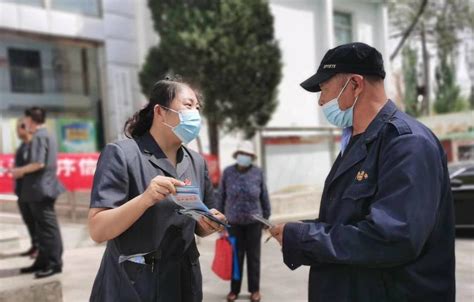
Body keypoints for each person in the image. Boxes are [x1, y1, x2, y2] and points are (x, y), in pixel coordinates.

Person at [269, 42, 455, 302]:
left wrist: (306, 239)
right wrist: (303, 229)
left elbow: (393, 238)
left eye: (324, 90)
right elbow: (352, 221)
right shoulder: (358, 141)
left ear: (355, 84)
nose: (322, 101)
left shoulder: (407, 143)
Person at [88, 77, 227, 302]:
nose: (195, 115)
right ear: (160, 112)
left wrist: (209, 223)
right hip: (134, 285)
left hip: (183, 282)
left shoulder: (196, 162)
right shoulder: (122, 154)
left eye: (198, 108)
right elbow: (97, 230)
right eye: (188, 106)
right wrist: (145, 199)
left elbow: (200, 223)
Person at [12, 107, 65, 279]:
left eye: (25, 120)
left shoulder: (39, 136)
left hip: (40, 189)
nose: (24, 123)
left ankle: (54, 263)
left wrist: (19, 171)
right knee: (42, 229)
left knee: (48, 229)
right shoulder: (47, 134)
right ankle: (42, 261)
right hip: (40, 189)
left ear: (30, 120)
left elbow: (38, 163)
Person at [218, 140, 271, 302]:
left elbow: (264, 196)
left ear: (251, 157)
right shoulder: (227, 172)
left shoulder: (258, 173)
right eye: (243, 154)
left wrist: (266, 218)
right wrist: (219, 220)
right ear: (237, 155)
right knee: (236, 257)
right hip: (233, 222)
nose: (245, 157)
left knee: (254, 257)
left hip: (254, 222)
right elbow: (221, 196)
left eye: (248, 154)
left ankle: (254, 290)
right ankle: (234, 290)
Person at [14, 117, 38, 258]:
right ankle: (34, 245)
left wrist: (21, 171)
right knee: (28, 220)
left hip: (32, 191)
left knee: (36, 221)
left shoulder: (34, 144)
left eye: (19, 127)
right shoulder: (22, 147)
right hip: (21, 190)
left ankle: (40, 248)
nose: (17, 131)